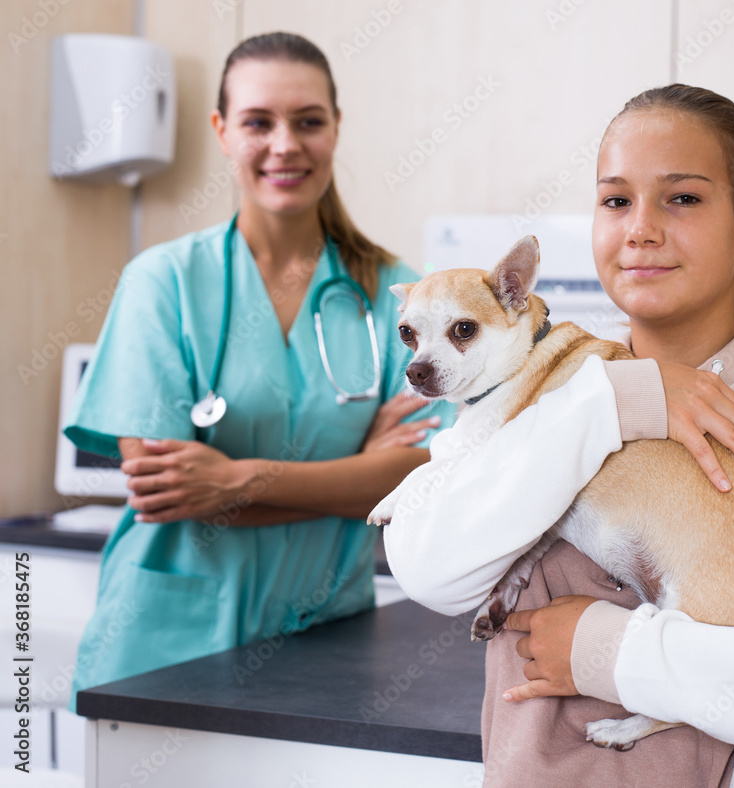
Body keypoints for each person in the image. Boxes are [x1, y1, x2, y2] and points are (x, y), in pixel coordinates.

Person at [382, 84, 734, 786]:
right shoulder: (539, 396)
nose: (641, 229)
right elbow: (426, 569)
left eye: (682, 198)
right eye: (616, 200)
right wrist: (615, 401)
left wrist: (611, 654)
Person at [65, 32, 453, 711]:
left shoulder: (401, 296)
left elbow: (427, 474)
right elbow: (168, 491)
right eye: (257, 122)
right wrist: (355, 478)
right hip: (162, 647)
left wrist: (237, 480)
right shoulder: (164, 282)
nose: (285, 144)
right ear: (221, 131)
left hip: (324, 644)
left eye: (308, 121)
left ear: (335, 128)